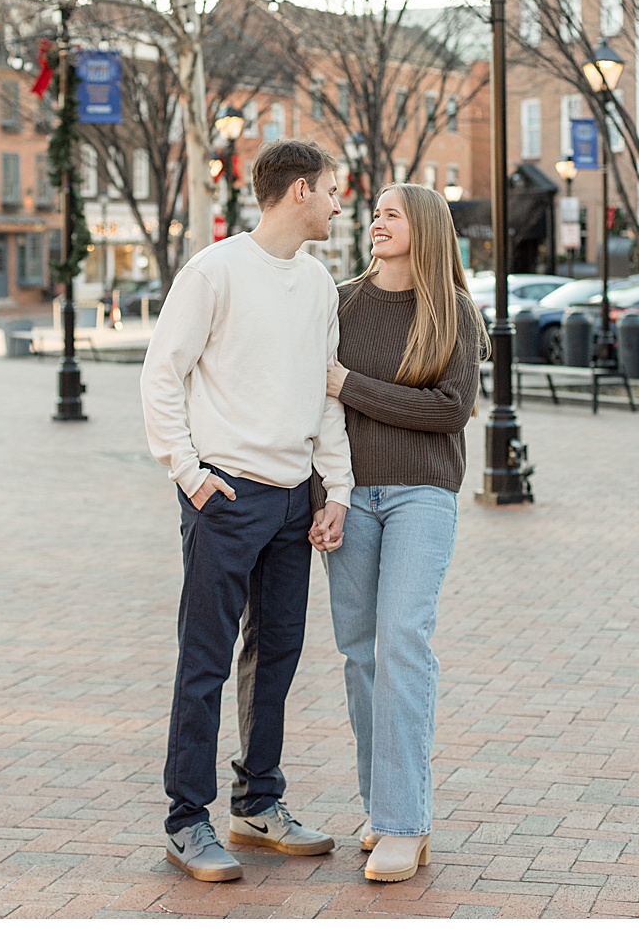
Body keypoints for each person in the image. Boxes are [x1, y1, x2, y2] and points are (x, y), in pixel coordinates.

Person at [140, 137, 355, 883]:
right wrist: (190, 474)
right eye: (332, 189)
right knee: (204, 659)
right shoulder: (216, 270)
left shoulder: (321, 283)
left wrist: (337, 491)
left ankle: (258, 803)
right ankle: (187, 819)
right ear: (299, 192)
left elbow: (326, 396)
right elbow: (161, 373)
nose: (338, 202)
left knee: (277, 657)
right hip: (226, 496)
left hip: (296, 501)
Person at [309, 183, 485, 883]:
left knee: (403, 640)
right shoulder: (340, 303)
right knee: (360, 653)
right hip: (351, 499)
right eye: (374, 213)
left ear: (426, 228)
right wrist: (328, 497)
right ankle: (380, 805)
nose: (375, 222)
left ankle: (405, 825)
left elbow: (449, 410)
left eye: (391, 213)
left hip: (422, 494)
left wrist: (349, 383)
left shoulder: (454, 313)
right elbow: (314, 409)